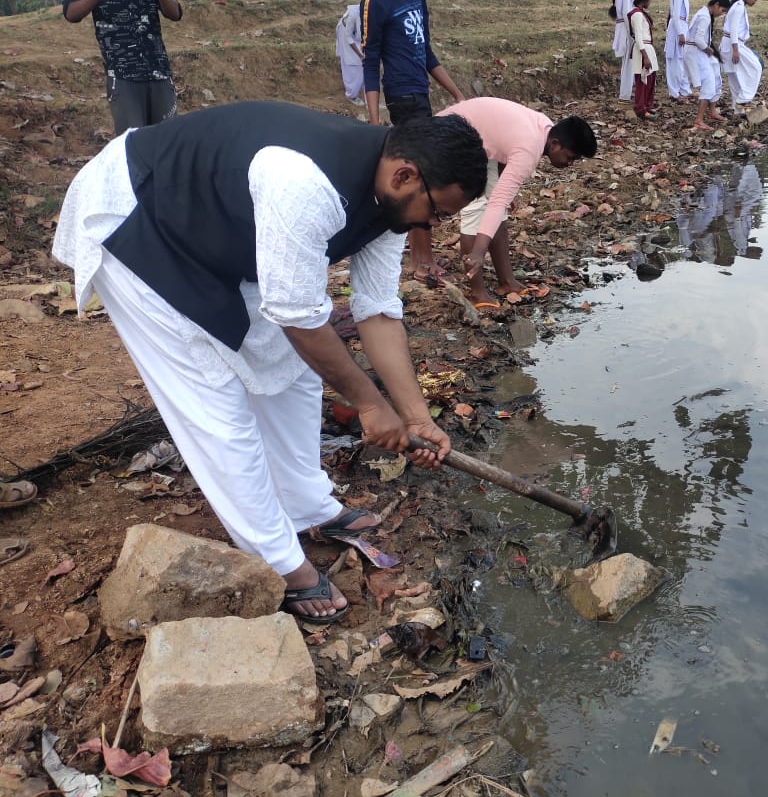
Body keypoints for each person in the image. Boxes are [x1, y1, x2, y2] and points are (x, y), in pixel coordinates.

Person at [52, 101, 488, 623]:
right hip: (142, 217)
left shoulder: (388, 201)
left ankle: (307, 505)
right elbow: (298, 317)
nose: (434, 225)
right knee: (216, 402)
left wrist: (415, 416)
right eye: (437, 211)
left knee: (293, 370)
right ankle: (278, 560)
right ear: (405, 174)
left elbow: (377, 312)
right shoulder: (304, 182)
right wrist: (370, 405)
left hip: (218, 230)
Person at [362, 0, 467, 283]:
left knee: (426, 173)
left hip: (421, 94)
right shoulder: (374, 2)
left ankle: (425, 257)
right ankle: (420, 262)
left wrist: (455, 93)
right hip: (401, 98)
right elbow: (370, 62)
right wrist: (376, 119)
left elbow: (428, 53)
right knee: (422, 175)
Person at [437, 98, 597, 307]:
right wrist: (478, 252)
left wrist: (504, 194)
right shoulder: (529, 149)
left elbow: (504, 149)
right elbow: (496, 202)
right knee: (476, 208)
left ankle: (506, 282)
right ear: (556, 145)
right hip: (452, 138)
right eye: (571, 157)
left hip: (478, 138)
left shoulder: (545, 128)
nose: (570, 164)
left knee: (498, 209)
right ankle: (476, 292)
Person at [63, 0, 182, 135]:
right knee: (132, 146)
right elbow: (71, 14)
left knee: (168, 141)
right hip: (122, 76)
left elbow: (175, 13)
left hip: (159, 72)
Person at [685, 0, 730, 129]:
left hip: (699, 51)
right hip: (695, 51)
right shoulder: (704, 17)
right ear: (716, 5)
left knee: (716, 75)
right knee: (709, 83)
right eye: (722, 11)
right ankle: (699, 120)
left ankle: (712, 111)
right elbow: (699, 40)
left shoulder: (705, 13)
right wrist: (708, 49)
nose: (721, 14)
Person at [721, 0, 763, 114]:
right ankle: (743, 100)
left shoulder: (738, 6)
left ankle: (738, 110)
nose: (754, 2)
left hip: (730, 44)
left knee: (735, 78)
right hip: (734, 44)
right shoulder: (738, 7)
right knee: (755, 67)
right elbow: (733, 30)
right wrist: (735, 50)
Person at [664, 0, 699, 104]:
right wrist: (680, 34)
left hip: (683, 26)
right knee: (675, 62)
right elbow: (675, 15)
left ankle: (685, 90)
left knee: (682, 62)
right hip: (677, 28)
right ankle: (674, 92)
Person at [611, 0, 641, 102]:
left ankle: (627, 92)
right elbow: (626, 12)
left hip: (623, 26)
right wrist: (632, 32)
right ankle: (625, 95)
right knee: (628, 63)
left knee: (628, 62)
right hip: (625, 27)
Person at [628, 0, 659, 120]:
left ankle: (646, 105)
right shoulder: (637, 14)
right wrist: (645, 56)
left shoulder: (641, 13)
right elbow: (638, 37)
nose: (650, 1)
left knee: (650, 78)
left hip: (647, 48)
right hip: (643, 49)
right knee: (643, 80)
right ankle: (641, 109)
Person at [336, 3, 365, 106]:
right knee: (353, 63)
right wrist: (360, 55)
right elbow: (348, 37)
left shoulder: (377, 13)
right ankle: (351, 95)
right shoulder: (354, 14)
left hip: (360, 37)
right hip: (347, 35)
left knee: (367, 64)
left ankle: (366, 94)